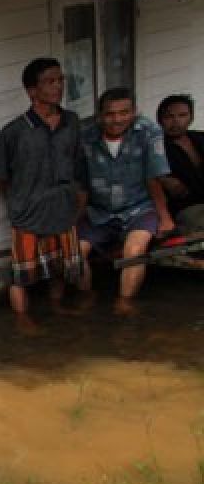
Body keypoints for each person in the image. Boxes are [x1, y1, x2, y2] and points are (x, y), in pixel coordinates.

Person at [0, 57, 84, 327]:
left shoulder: (71, 122)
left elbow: (78, 163)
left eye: (60, 80)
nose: (58, 87)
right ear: (32, 91)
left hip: (63, 209)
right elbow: (1, 176)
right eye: (50, 81)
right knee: (22, 275)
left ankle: (56, 308)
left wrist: (76, 199)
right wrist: (22, 199)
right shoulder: (14, 132)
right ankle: (22, 323)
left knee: (61, 270)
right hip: (28, 213)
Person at [75, 88, 173, 315]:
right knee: (75, 253)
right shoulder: (86, 136)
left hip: (139, 207)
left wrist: (165, 216)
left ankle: (124, 303)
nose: (117, 119)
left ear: (134, 112)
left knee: (134, 249)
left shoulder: (148, 132)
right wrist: (76, 217)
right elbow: (81, 183)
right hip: (99, 210)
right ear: (100, 115)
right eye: (110, 114)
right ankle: (87, 295)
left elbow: (153, 177)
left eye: (124, 112)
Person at [156, 94, 204, 232]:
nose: (176, 121)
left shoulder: (200, 138)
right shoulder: (155, 148)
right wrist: (162, 179)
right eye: (169, 117)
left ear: (191, 117)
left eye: (182, 115)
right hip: (186, 208)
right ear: (160, 120)